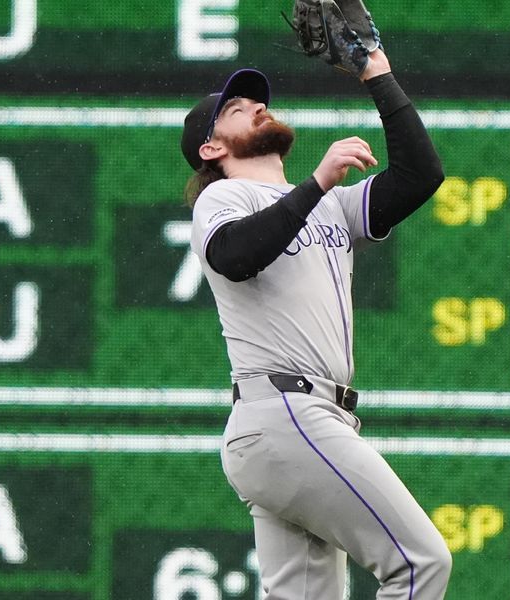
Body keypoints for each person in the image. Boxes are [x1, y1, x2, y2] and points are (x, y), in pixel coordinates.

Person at [182, 45, 451, 599]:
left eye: (257, 100)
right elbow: (236, 254)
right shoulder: (223, 195)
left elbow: (421, 174)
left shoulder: (331, 207)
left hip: (299, 426)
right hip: (285, 415)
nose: (256, 106)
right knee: (420, 563)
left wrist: (376, 72)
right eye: (236, 107)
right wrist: (318, 183)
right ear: (212, 147)